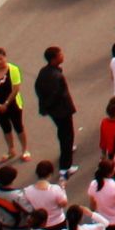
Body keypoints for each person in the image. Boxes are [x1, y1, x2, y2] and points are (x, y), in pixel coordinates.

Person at [34, 46, 77, 180]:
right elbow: (57, 94)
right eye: (60, 54)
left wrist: (46, 106)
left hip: (54, 111)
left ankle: (67, 151)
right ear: (54, 59)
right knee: (67, 135)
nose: (62, 56)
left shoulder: (44, 72)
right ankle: (66, 167)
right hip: (61, 111)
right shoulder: (56, 76)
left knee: (63, 132)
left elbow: (38, 88)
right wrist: (51, 104)